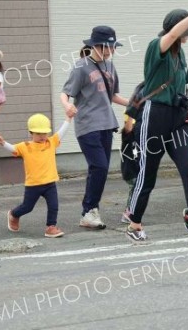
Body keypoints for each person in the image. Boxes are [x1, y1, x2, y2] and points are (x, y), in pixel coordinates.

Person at [127, 0, 188, 244]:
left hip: (177, 117)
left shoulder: (182, 56)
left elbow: (182, 87)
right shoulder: (156, 46)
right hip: (154, 114)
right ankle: (134, 222)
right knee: (148, 172)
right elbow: (170, 35)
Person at [61, 25, 129, 230]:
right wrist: (67, 105)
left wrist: (135, 104)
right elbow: (65, 93)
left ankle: (90, 212)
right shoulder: (81, 67)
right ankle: (89, 210)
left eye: (113, 47)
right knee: (99, 166)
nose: (111, 51)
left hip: (107, 124)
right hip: (87, 124)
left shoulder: (110, 67)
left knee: (100, 169)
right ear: (97, 46)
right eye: (109, 47)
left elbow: (113, 96)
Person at [0, 114, 70, 238]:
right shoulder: (25, 146)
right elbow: (13, 148)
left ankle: (51, 227)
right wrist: (3, 142)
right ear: (31, 133)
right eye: (39, 134)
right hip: (33, 185)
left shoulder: (51, 142)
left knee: (54, 205)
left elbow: (61, 132)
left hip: (50, 183)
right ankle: (13, 214)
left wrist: (68, 118)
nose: (42, 136)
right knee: (27, 207)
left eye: (45, 133)